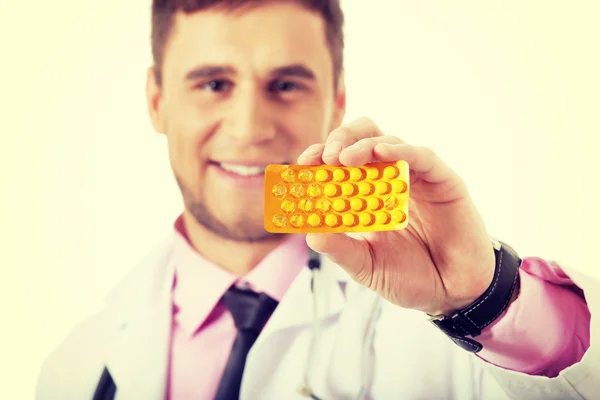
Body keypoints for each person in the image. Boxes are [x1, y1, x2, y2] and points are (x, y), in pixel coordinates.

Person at [36, 0, 600, 399]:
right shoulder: (78, 366)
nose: (251, 128)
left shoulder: (457, 337)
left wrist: (483, 297)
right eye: (213, 84)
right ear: (157, 101)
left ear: (337, 102)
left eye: (286, 84)